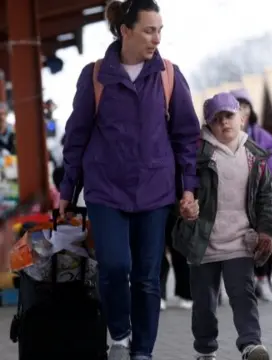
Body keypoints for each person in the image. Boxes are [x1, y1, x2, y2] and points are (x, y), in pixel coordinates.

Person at [59, 1, 200, 359]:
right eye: (149, 30)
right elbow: (76, 137)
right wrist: (67, 191)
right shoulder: (95, 76)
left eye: (160, 30)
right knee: (115, 265)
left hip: (155, 192)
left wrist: (188, 188)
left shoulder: (169, 75)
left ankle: (142, 352)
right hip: (106, 189)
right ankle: (119, 332)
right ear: (126, 31)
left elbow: (186, 137)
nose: (156, 38)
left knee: (147, 277)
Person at [172, 92, 272, 360]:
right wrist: (185, 205)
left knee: (244, 296)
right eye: (216, 120)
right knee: (205, 304)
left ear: (241, 117)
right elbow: (182, 190)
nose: (224, 123)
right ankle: (205, 350)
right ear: (208, 125)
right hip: (204, 243)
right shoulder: (197, 156)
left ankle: (251, 345)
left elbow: (266, 198)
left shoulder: (256, 157)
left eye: (228, 116)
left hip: (240, 242)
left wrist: (265, 231)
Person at [230, 88, 272, 302]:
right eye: (237, 106)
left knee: (264, 235)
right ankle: (240, 282)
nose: (242, 111)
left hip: (259, 193)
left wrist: (256, 168)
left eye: (246, 106)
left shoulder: (261, 135)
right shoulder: (223, 134)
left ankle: (263, 279)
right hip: (233, 196)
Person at [159, 211, 192, 310]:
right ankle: (157, 293)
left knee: (181, 247)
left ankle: (187, 293)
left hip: (179, 202)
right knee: (155, 250)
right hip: (153, 203)